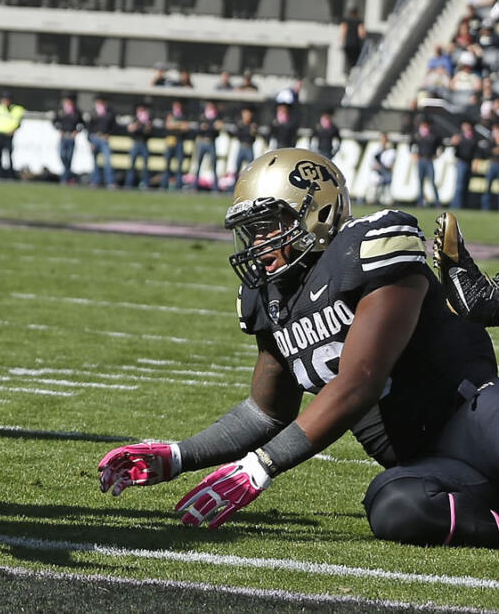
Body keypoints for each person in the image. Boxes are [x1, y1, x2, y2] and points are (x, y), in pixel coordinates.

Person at [99, 148, 499, 547]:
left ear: (317, 213)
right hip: (431, 466)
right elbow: (265, 413)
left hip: (476, 422)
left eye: (268, 225)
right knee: (394, 506)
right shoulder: (270, 298)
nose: (257, 242)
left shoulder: (367, 250)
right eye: (251, 230)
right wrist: (177, 457)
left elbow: (360, 381)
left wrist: (261, 466)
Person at [0, 91, 25, 177]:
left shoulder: (16, 109)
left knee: (9, 154)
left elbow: (18, 122)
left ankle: (10, 173)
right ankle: (0, 173)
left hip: (8, 135)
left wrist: (12, 131)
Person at [189, 100, 222, 191]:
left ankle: (215, 188)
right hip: (201, 142)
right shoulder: (202, 116)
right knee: (198, 164)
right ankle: (194, 186)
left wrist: (208, 127)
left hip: (210, 142)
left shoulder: (217, 116)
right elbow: (199, 129)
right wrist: (210, 127)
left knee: (214, 165)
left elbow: (216, 130)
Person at [450, 120, 482, 209]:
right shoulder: (460, 137)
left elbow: (477, 152)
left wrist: (475, 162)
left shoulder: (474, 138)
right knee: (459, 185)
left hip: (469, 162)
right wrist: (454, 143)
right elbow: (455, 151)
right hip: (461, 162)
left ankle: (463, 204)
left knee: (466, 185)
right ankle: (457, 205)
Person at [85, 95, 115, 188]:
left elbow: (114, 126)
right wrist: (90, 141)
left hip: (103, 138)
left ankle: (110, 182)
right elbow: (89, 128)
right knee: (95, 162)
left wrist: (108, 134)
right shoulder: (93, 113)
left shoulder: (109, 113)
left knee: (107, 161)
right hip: (94, 138)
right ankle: (95, 181)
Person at [159, 100, 189, 190]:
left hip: (179, 142)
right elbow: (169, 126)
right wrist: (179, 125)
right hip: (170, 141)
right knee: (167, 164)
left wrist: (174, 124)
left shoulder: (183, 116)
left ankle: (178, 186)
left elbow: (186, 127)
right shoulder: (170, 114)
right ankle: (164, 185)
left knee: (179, 165)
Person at [52, 94, 83, 184]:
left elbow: (82, 124)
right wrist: (59, 130)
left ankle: (65, 178)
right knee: (62, 155)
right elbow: (54, 122)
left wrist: (76, 132)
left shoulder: (77, 112)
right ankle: (68, 175)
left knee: (69, 157)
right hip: (64, 136)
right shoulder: (61, 111)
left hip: (71, 137)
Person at [413, 118, 442, 208]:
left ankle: (437, 202)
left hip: (429, 160)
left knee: (432, 181)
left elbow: (441, 145)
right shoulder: (418, 135)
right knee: (420, 182)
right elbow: (412, 146)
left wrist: (437, 155)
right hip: (421, 159)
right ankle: (420, 202)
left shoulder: (433, 136)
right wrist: (414, 154)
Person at [124, 104, 152, 189]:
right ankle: (128, 184)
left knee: (145, 166)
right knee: (132, 165)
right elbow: (130, 129)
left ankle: (145, 184)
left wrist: (144, 125)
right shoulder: (134, 119)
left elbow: (148, 131)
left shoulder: (148, 119)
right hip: (135, 143)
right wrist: (137, 124)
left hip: (144, 143)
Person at [228, 106, 258, 181]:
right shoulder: (240, 124)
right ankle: (235, 184)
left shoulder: (253, 125)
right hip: (241, 147)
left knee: (251, 168)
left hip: (249, 147)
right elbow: (236, 135)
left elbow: (253, 138)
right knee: (237, 167)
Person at [370, 133, 397, 206]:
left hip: (386, 175)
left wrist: (382, 167)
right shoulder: (376, 150)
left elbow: (390, 165)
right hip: (377, 176)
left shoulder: (391, 151)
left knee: (387, 199)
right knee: (373, 197)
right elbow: (371, 163)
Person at [339, 7, 367, 72]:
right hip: (356, 45)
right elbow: (362, 34)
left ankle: (349, 74)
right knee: (356, 62)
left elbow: (343, 32)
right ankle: (355, 73)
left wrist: (341, 43)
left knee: (349, 62)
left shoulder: (346, 21)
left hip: (348, 45)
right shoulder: (359, 22)